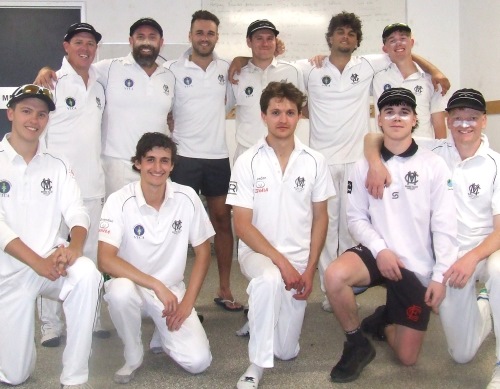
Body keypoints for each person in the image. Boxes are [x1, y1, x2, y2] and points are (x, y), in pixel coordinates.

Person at [325, 88, 458, 383]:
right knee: (334, 276)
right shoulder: (364, 166)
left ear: (414, 120)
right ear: (380, 121)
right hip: (376, 253)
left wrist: (438, 276)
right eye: (389, 112)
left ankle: (384, 321)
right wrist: (380, 249)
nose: (396, 117)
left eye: (404, 112)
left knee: (407, 358)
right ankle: (356, 342)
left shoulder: (433, 165)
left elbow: (445, 226)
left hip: (415, 266)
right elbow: (355, 218)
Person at [227, 81, 334, 388]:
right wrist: (281, 263)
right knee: (269, 279)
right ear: (263, 116)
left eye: (290, 112)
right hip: (259, 255)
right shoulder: (247, 161)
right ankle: (255, 365)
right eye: (276, 112)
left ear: (300, 115)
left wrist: (310, 270)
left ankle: (264, 314)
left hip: (300, 259)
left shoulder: (315, 160)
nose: (283, 119)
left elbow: (320, 218)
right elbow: (242, 225)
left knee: (286, 351)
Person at [0, 84, 101, 388]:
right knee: (15, 375)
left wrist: (75, 247)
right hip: (9, 274)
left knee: (87, 275)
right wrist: (36, 262)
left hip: (51, 265)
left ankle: (74, 377)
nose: (34, 120)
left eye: (42, 114)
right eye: (27, 111)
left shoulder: (57, 164)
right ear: (11, 114)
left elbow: (77, 212)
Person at [98, 132, 214, 384]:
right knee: (119, 292)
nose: (157, 167)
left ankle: (163, 334)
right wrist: (155, 284)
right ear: (138, 163)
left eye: (164, 161)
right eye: (150, 160)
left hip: (172, 293)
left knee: (198, 362)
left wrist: (187, 304)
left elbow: (204, 253)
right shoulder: (118, 201)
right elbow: (105, 260)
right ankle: (133, 354)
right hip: (134, 288)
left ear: (172, 165)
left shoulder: (188, 197)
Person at [34, 17, 176, 197]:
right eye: (140, 36)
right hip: (117, 167)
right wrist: (45, 70)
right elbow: (77, 68)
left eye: (152, 37)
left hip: (155, 167)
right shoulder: (109, 68)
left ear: (161, 43)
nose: (146, 41)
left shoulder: (169, 77)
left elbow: (171, 113)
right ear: (131, 41)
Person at [36, 22, 109, 348]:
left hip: (92, 184)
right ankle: (50, 326)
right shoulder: (50, 82)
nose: (85, 48)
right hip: (56, 187)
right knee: (52, 250)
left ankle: (90, 320)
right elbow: (34, 130)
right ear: (66, 46)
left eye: (91, 43)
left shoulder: (99, 83)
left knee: (89, 254)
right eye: (79, 42)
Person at [165, 10, 242, 311]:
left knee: (223, 222)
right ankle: (176, 291)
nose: (205, 38)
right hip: (183, 158)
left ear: (217, 37)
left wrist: (244, 59)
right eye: (200, 32)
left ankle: (224, 288)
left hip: (217, 158)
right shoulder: (171, 68)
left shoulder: (228, 69)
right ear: (190, 36)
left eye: (210, 33)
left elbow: (237, 98)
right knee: (178, 225)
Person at [228, 19, 305, 161]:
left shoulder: (293, 71)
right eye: (259, 38)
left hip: (283, 153)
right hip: (246, 152)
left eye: (270, 39)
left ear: (276, 42)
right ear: (249, 42)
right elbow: (221, 108)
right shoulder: (236, 73)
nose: (265, 43)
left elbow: (302, 108)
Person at [372, 22, 447, 139]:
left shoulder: (431, 81)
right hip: (389, 152)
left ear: (411, 43)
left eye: (403, 38)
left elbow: (439, 126)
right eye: (392, 40)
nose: (398, 43)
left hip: (424, 152)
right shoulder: (377, 78)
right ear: (385, 48)